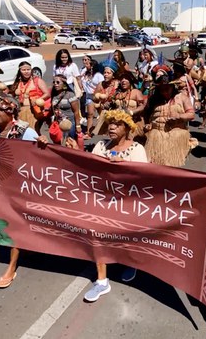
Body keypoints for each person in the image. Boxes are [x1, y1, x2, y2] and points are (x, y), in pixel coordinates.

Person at [64, 110, 149, 302]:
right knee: (98, 236)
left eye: (117, 124)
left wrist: (124, 166)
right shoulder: (101, 146)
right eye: (110, 123)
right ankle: (102, 281)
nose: (111, 127)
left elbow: (144, 178)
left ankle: (130, 262)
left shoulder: (136, 149)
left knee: (124, 237)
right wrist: (76, 153)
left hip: (125, 205)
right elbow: (89, 169)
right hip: (101, 202)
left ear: (127, 128)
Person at [0, 94, 41, 288]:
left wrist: (43, 145)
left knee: (14, 225)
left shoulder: (25, 132)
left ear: (10, 111)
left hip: (19, 189)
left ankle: (12, 266)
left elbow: (40, 158)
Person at [143, 74, 197, 167]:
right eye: (162, 89)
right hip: (156, 136)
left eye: (167, 88)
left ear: (172, 87)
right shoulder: (153, 99)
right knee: (155, 164)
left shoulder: (181, 97)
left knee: (171, 165)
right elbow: (146, 115)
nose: (164, 92)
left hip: (176, 135)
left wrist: (179, 116)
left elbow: (192, 114)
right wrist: (148, 125)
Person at [9, 61, 50, 132]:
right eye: (24, 70)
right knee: (22, 134)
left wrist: (38, 100)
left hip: (33, 111)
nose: (26, 72)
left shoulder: (37, 81)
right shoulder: (17, 83)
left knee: (33, 132)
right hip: (20, 111)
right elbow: (10, 96)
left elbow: (47, 94)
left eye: (28, 69)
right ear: (20, 71)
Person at [49, 73, 82, 143]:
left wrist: (78, 126)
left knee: (70, 144)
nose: (55, 84)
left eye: (58, 82)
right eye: (54, 82)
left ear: (64, 84)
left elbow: (76, 111)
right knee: (58, 144)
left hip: (70, 124)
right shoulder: (54, 95)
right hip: (58, 124)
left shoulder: (70, 95)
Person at [79, 55, 104, 136]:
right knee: (90, 114)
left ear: (92, 66)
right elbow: (79, 79)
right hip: (89, 96)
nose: (86, 63)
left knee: (102, 114)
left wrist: (96, 94)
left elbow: (101, 85)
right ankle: (88, 132)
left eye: (88, 63)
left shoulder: (98, 75)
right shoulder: (84, 73)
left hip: (98, 96)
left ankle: (104, 128)